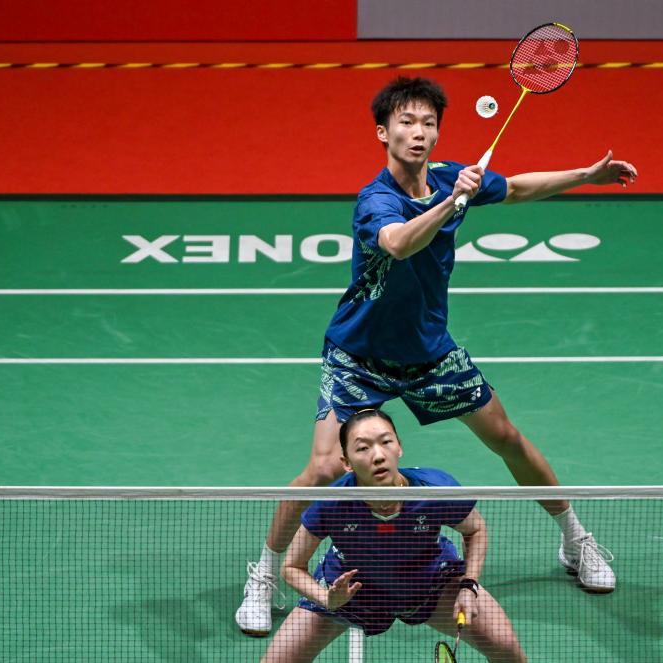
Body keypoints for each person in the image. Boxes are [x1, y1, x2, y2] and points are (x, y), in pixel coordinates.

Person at [238, 76, 636, 636]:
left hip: (429, 353)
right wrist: (453, 202)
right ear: (383, 133)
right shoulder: (377, 200)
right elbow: (399, 243)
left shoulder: (451, 177)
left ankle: (575, 539)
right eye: (406, 122)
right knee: (325, 468)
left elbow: (516, 188)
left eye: (428, 123)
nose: (418, 132)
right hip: (360, 354)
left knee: (506, 437)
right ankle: (263, 575)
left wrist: (585, 176)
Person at [261, 409, 527, 662]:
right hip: (352, 594)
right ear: (347, 462)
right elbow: (292, 567)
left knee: (506, 646)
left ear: (399, 447)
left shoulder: (434, 489)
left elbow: (475, 529)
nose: (378, 455)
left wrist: (469, 586)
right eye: (363, 448)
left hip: (429, 585)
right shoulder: (332, 502)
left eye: (386, 442)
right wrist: (327, 599)